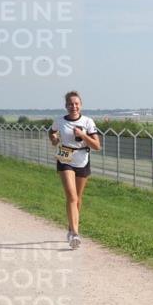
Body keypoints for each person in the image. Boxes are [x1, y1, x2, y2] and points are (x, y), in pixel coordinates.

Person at [48, 91, 101, 250]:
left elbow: (97, 146)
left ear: (81, 105)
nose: (74, 106)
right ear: (66, 106)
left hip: (82, 160)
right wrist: (54, 139)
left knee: (77, 198)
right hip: (65, 158)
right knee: (71, 195)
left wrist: (83, 135)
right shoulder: (59, 121)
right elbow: (51, 132)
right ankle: (75, 234)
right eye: (70, 104)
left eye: (76, 103)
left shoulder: (88, 122)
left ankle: (71, 227)